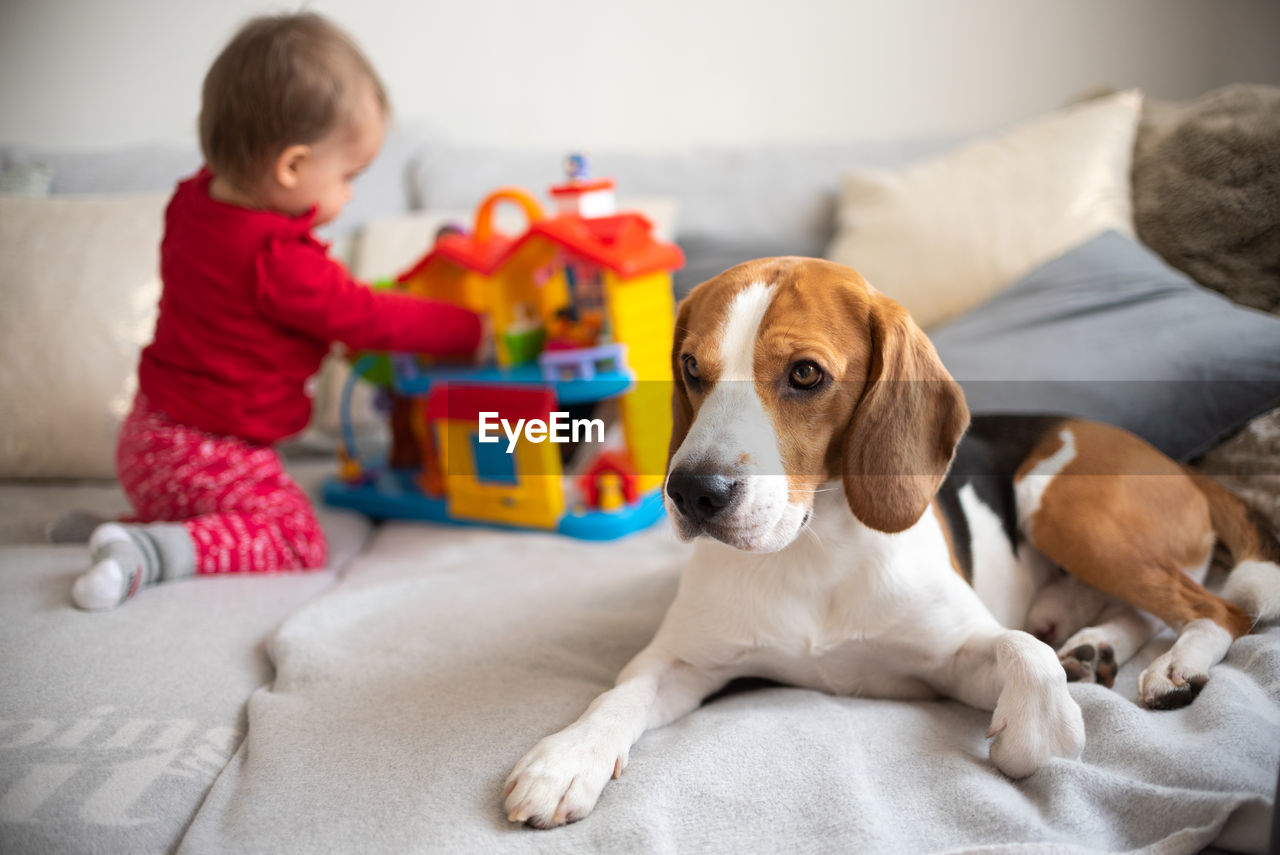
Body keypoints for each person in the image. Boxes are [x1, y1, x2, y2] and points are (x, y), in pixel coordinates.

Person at [69, 13, 482, 610]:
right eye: (347, 176)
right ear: (290, 167)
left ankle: (123, 525)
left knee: (228, 502)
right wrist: (469, 328)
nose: (349, 196)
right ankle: (148, 554)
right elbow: (366, 317)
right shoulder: (277, 260)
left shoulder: (191, 202)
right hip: (203, 449)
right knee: (294, 537)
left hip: (146, 438)